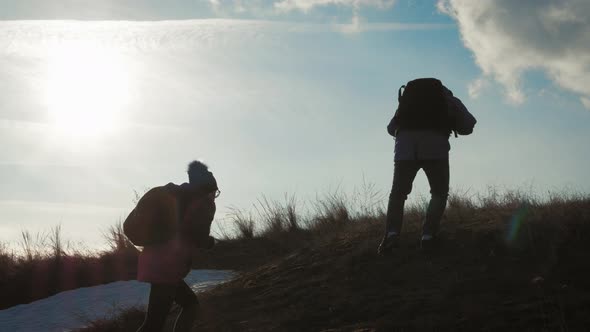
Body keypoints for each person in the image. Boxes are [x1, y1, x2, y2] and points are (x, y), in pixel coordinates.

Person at [378, 78, 476, 254]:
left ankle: (391, 236)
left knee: (398, 193)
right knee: (439, 192)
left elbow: (391, 127)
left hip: (405, 148)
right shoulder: (448, 99)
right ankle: (428, 237)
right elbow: (468, 125)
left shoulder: (407, 101)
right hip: (435, 147)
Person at [129, 160, 219, 332]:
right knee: (154, 324)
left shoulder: (178, 195)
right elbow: (197, 236)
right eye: (215, 192)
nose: (215, 196)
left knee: (190, 304)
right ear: (209, 189)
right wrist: (210, 242)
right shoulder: (203, 203)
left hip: (154, 260)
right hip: (167, 267)